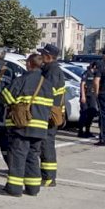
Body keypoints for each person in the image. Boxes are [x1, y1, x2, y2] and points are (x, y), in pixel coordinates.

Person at [0, 53, 54, 197]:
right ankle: (33, 188)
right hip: (41, 128)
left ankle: (14, 189)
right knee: (33, 157)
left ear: (29, 64)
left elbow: (5, 97)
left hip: (22, 126)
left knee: (18, 156)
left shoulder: (21, 80)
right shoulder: (47, 84)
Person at [37, 43, 66, 187]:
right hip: (50, 112)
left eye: (42, 54)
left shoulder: (52, 71)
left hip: (49, 114)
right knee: (45, 144)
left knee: (46, 145)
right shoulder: (49, 69)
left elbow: (48, 92)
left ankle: (48, 178)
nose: (41, 56)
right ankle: (46, 175)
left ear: (48, 57)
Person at [77, 62, 99, 138]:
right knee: (84, 113)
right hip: (85, 96)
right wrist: (83, 96)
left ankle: (87, 130)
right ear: (94, 66)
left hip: (92, 96)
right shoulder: (86, 73)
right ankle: (80, 131)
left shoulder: (96, 75)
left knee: (91, 113)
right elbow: (82, 84)